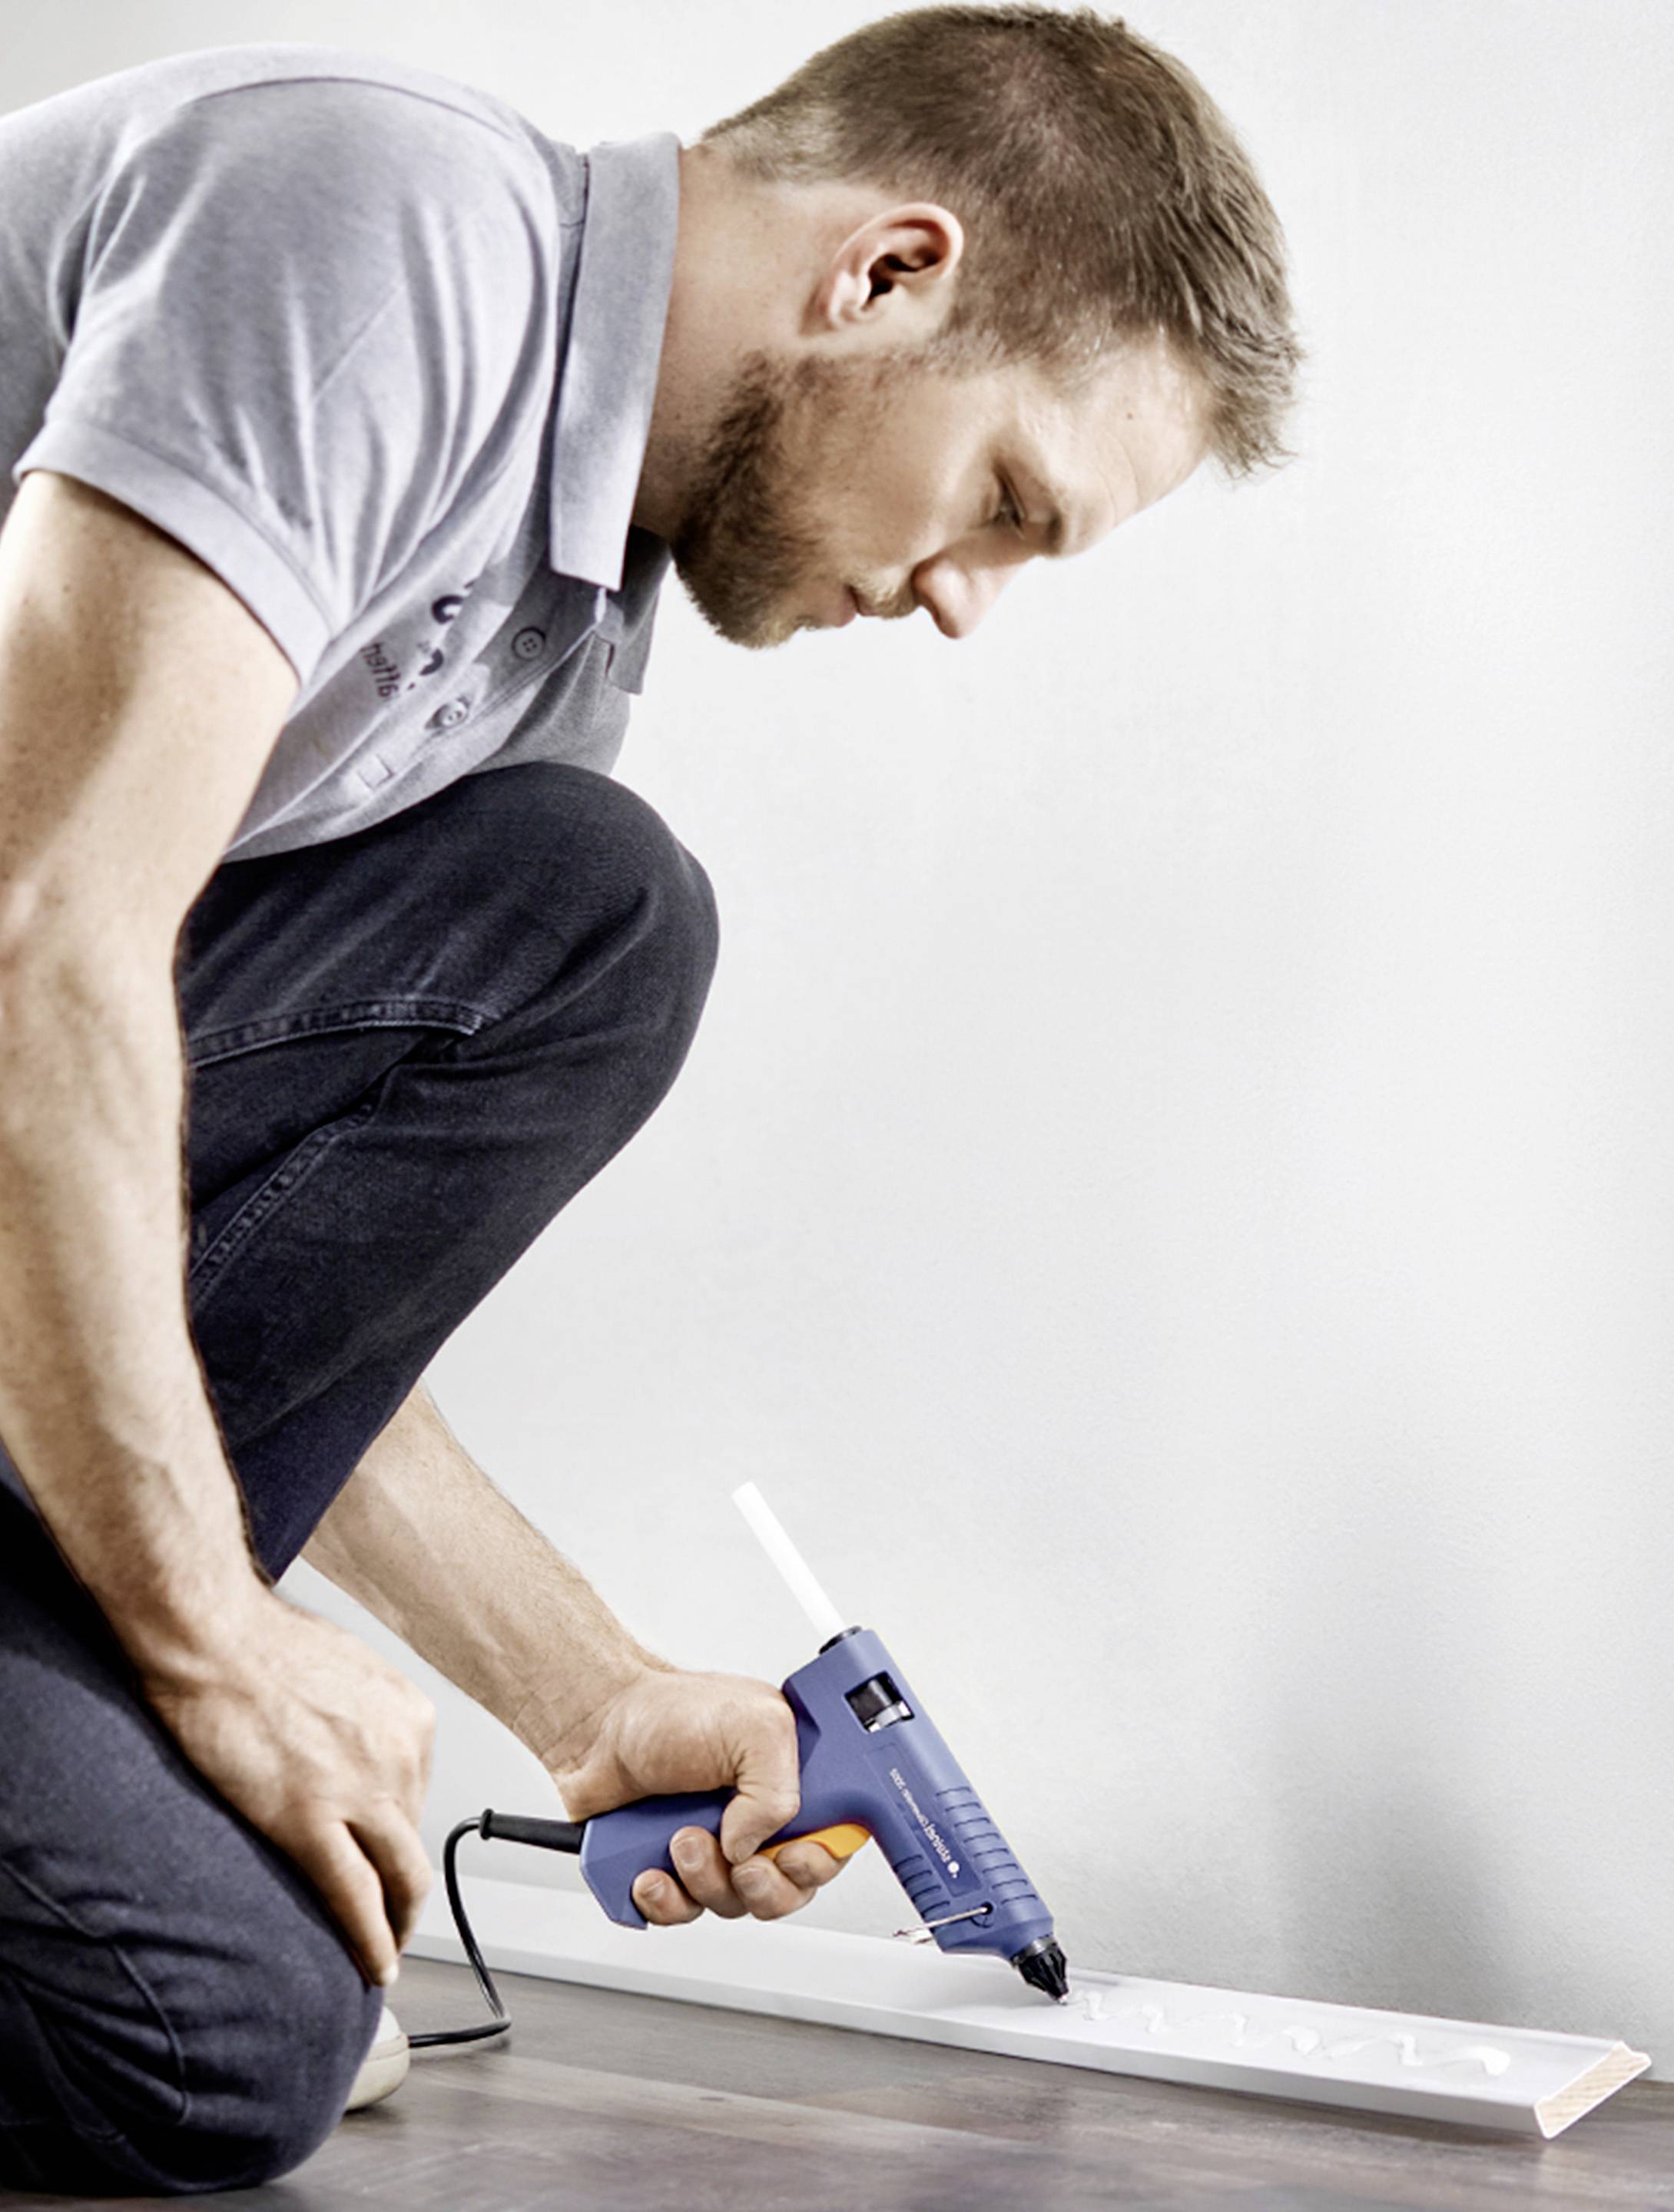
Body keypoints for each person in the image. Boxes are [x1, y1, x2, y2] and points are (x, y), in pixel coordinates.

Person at [0, 6, 1297, 2191]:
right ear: (888, 271)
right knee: (604, 920)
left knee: (247, 2030)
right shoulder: (388, 220)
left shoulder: (548, 652)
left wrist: (588, 1696)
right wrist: (211, 1649)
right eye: (1007, 504)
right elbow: (52, 956)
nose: (969, 603)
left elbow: (157, 1175)